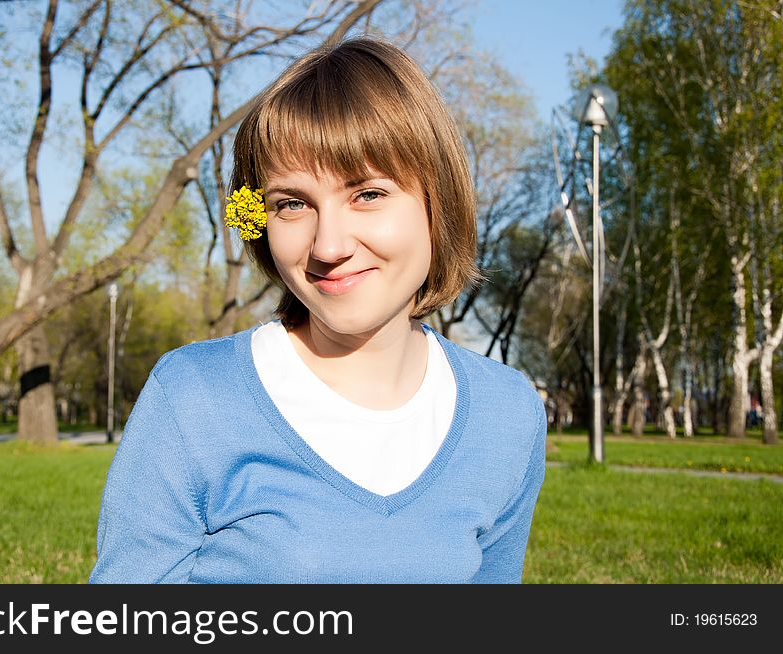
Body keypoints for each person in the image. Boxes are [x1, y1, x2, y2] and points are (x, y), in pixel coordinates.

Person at [89, 35, 546, 584]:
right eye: (293, 204)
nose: (328, 246)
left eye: (368, 194)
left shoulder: (508, 414)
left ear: (438, 201)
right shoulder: (192, 400)